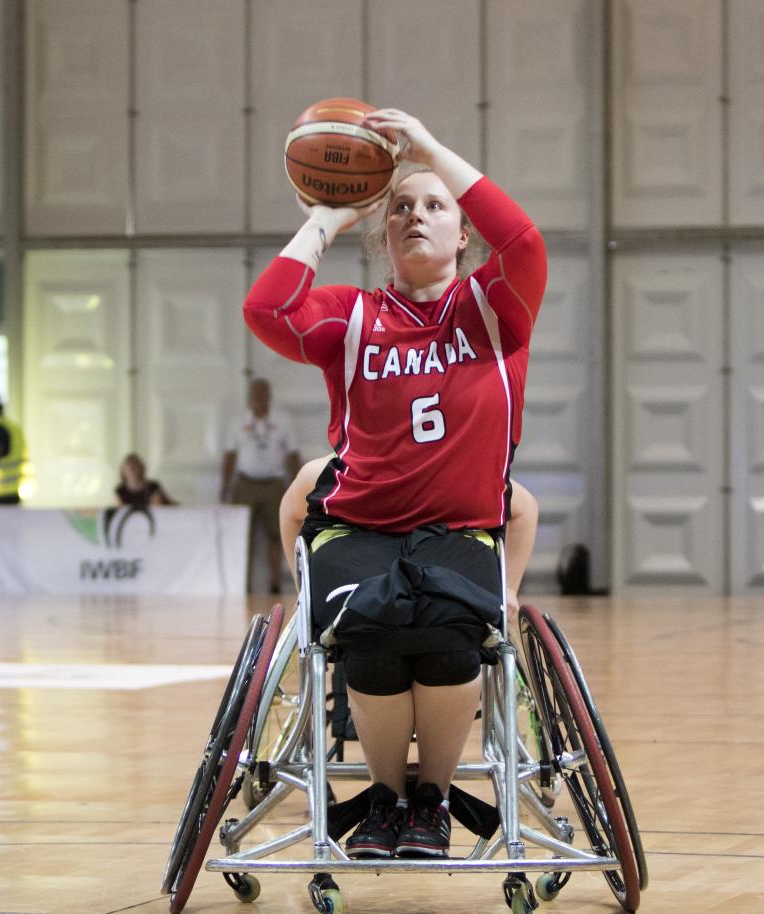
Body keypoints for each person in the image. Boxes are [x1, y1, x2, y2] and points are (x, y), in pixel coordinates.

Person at [243, 108, 546, 859]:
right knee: (369, 641)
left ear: (462, 234)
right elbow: (266, 308)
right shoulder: (352, 317)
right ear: (383, 239)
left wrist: (432, 153)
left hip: (459, 530)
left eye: (435, 206)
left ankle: (432, 803)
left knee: (449, 641)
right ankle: (383, 800)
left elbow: (526, 241)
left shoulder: (495, 310)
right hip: (360, 530)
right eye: (402, 208)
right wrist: (328, 217)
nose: (416, 215)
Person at [279, 454, 539, 611]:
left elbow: (525, 508)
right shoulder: (325, 472)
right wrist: (305, 589)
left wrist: (509, 590)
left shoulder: (457, 468)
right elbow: (291, 513)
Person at [221, 378, 301, 594]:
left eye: (263, 392)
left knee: (277, 535)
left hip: (274, 484)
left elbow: (293, 454)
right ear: (250, 396)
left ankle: (275, 583)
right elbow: (230, 455)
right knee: (243, 535)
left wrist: (297, 485)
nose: (259, 397)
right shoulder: (238, 422)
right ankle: (242, 583)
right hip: (246, 483)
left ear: (269, 395)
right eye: (256, 393)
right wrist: (225, 486)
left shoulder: (282, 421)